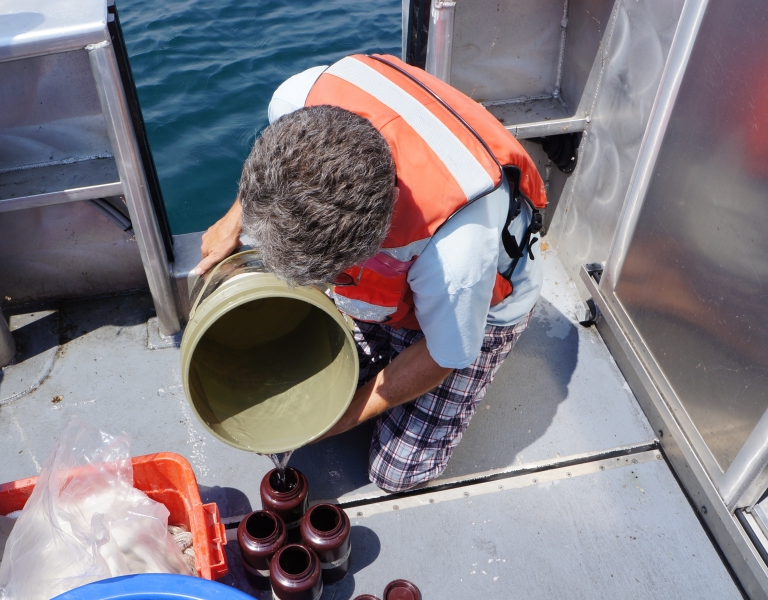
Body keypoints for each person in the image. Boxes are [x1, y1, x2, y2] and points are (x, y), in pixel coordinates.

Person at [195, 54, 546, 492]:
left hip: (485, 305)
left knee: (396, 472)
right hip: (404, 283)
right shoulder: (298, 98)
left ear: (369, 245)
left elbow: (442, 356)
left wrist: (343, 419)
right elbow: (276, 166)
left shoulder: (458, 252)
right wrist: (235, 219)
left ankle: (479, 363)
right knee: (303, 391)